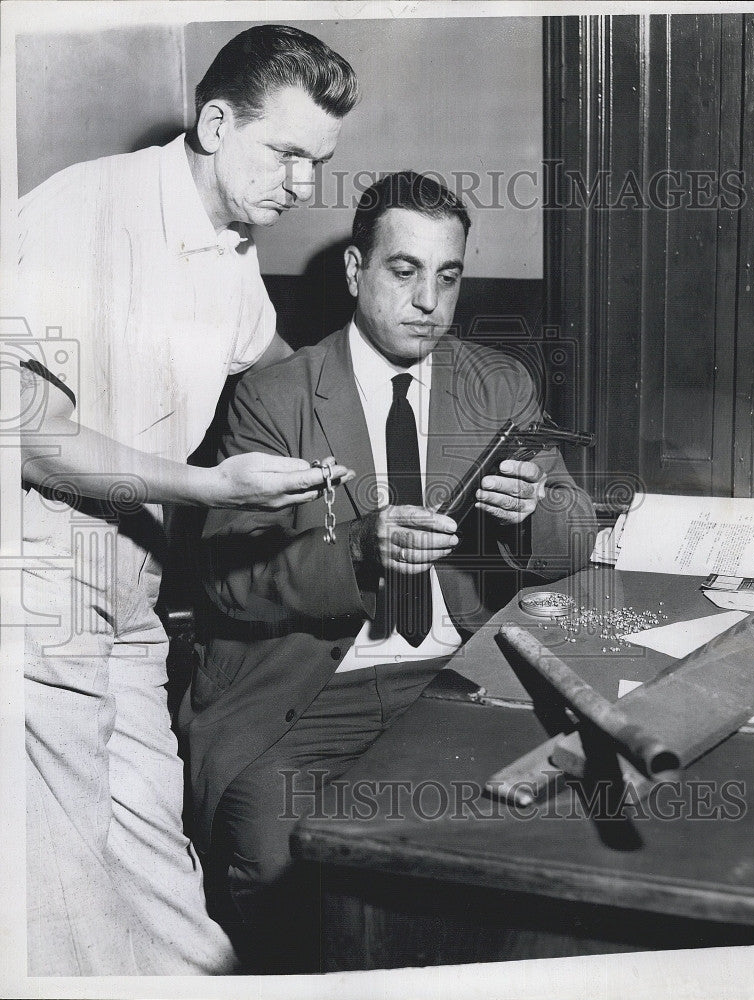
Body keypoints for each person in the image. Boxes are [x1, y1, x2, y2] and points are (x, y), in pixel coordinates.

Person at [180, 171, 598, 970]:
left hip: (456, 683)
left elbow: (574, 543)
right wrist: (359, 553)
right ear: (354, 273)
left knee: (526, 866)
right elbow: (226, 577)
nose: (427, 301)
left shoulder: (498, 386)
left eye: (447, 277)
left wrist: (533, 509)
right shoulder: (275, 396)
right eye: (404, 271)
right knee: (280, 877)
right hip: (304, 696)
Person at [16, 24, 357, 975]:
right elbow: (24, 433)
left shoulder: (227, 244)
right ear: (214, 122)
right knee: (67, 891)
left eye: (317, 162)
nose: (303, 184)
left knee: (158, 861)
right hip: (37, 579)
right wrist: (209, 485)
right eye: (285, 153)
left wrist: (379, 406)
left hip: (128, 588)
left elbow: (274, 366)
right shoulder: (84, 210)